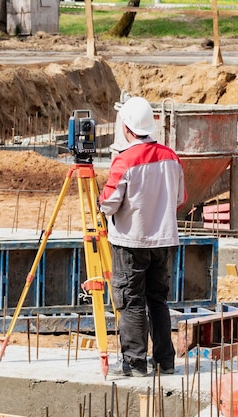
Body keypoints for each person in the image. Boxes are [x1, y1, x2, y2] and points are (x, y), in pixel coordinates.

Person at [99, 96, 187, 377]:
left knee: (131, 301)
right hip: (164, 240)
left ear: (126, 127)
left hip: (130, 242)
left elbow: (108, 203)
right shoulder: (171, 157)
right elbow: (180, 199)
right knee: (158, 300)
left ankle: (135, 362)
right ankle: (165, 361)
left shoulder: (124, 160)